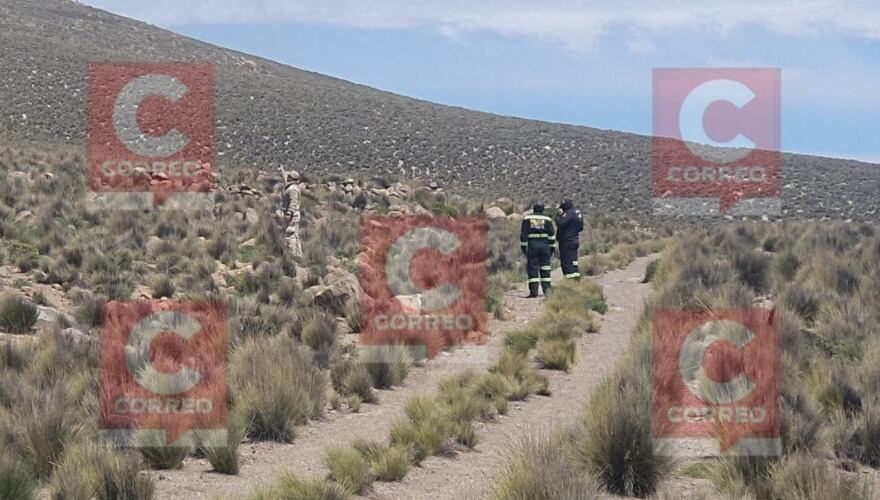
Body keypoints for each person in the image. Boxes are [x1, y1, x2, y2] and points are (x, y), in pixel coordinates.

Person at [520, 203, 556, 298]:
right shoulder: (547, 219)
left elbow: (523, 235)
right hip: (545, 246)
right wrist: (552, 248)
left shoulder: (527, 219)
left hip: (532, 246)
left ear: (534, 209)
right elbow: (552, 235)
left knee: (533, 268)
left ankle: (533, 292)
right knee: (545, 269)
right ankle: (547, 291)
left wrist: (524, 248)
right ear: (543, 209)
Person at [555, 198, 584, 280]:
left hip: (566, 242)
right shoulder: (577, 212)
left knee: (567, 264)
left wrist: (559, 215)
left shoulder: (568, 213)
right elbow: (581, 227)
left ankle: (570, 283)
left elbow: (560, 223)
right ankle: (576, 280)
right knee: (574, 263)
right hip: (575, 240)